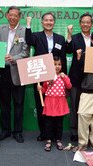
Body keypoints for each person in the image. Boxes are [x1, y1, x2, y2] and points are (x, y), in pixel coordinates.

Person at [0, 6, 29, 143]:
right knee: (4, 104)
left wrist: (14, 58)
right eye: (11, 15)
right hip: (2, 71)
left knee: (19, 104)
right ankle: (5, 130)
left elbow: (26, 52)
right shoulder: (2, 29)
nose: (13, 17)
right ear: (7, 16)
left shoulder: (24, 31)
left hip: (18, 71)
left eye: (16, 15)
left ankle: (18, 132)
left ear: (19, 17)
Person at [25, 12, 66, 141]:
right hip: (40, 76)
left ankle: (55, 134)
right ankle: (44, 133)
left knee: (55, 105)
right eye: (46, 20)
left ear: (54, 22)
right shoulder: (36, 36)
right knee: (41, 105)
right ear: (42, 23)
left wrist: (63, 75)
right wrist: (28, 25)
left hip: (56, 77)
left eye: (51, 20)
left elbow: (63, 57)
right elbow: (29, 40)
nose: (49, 22)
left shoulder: (60, 38)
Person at [65, 13, 93, 142]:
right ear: (80, 24)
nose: (85, 24)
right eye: (83, 22)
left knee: (89, 107)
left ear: (91, 24)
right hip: (76, 78)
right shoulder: (75, 37)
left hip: (92, 79)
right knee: (75, 106)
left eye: (88, 22)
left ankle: (88, 131)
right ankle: (74, 131)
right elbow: (68, 50)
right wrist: (69, 35)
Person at [37, 56, 71, 151]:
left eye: (59, 64)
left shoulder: (63, 76)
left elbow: (69, 86)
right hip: (49, 103)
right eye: (54, 64)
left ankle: (58, 139)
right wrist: (40, 89)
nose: (57, 66)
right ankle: (48, 140)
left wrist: (65, 78)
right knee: (48, 123)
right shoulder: (47, 77)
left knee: (59, 123)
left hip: (60, 103)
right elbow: (43, 90)